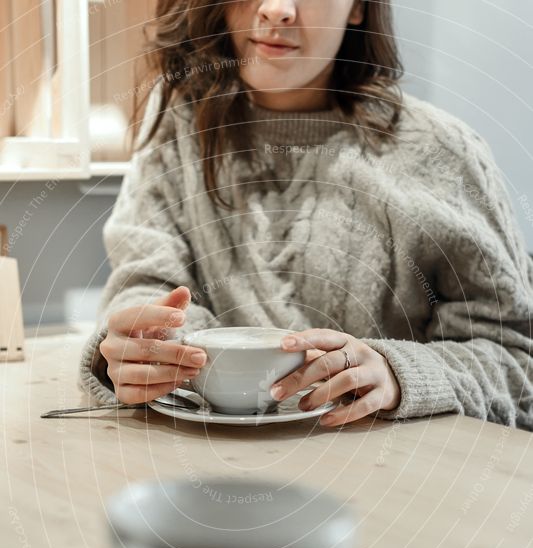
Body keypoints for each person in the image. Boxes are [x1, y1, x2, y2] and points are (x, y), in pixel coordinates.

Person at [79, 0, 533, 428]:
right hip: (207, 469)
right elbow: (142, 289)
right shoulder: (178, 124)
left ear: (358, 6)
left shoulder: (443, 153)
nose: (277, 9)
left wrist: (400, 373)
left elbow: (517, 360)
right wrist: (134, 354)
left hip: (395, 482)